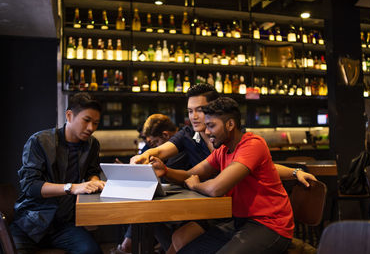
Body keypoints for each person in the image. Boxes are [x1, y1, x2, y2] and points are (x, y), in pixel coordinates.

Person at [132, 84, 317, 253]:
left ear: (229, 124)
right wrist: (165, 170)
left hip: (269, 225)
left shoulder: (251, 144)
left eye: (211, 125)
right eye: (190, 111)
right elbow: (190, 174)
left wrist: (196, 185)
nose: (207, 130)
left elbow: (215, 188)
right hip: (239, 221)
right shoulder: (222, 150)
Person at [9, 92, 105, 254]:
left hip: (63, 225)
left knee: (91, 251)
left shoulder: (92, 145)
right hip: (31, 222)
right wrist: (72, 187)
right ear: (69, 115)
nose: (91, 128)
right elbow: (30, 186)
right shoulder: (39, 141)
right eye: (86, 120)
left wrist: (94, 181)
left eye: (95, 123)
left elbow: (92, 171)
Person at [114, 114, 189, 254]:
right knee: (141, 215)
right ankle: (127, 247)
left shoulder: (184, 146)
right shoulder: (153, 148)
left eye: (154, 143)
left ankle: (126, 247)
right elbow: (145, 159)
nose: (152, 147)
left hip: (183, 203)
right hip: (166, 200)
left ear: (166, 135)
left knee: (144, 216)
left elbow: (167, 176)